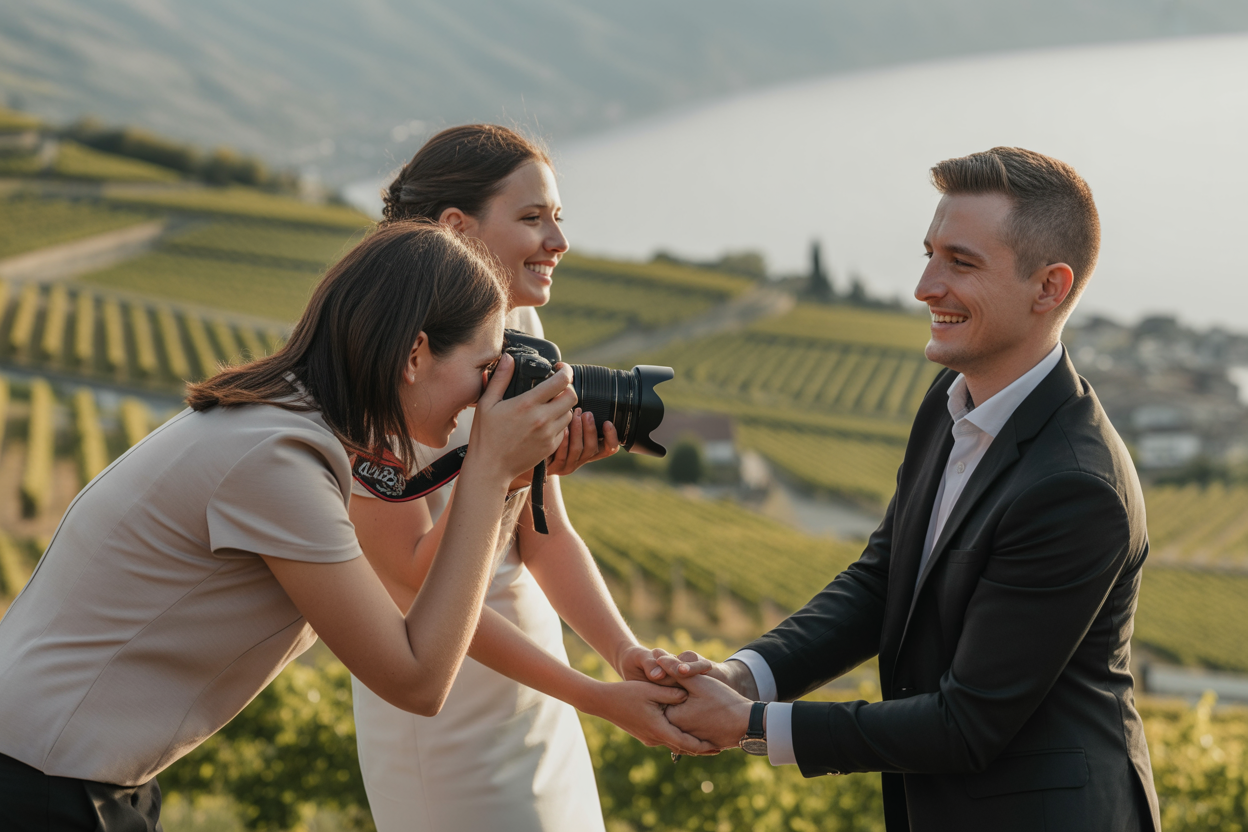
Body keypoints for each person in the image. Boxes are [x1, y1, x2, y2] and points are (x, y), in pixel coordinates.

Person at [0, 221, 586, 830]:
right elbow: (417, 680)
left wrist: (507, 478)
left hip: (66, 770)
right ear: (415, 355)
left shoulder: (286, 423)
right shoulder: (276, 459)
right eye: (484, 368)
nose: (485, 395)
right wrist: (490, 473)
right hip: (41, 783)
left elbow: (425, 589)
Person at [660, 147, 1162, 831]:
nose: (925, 286)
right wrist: (744, 676)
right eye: (929, 254)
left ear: (1049, 287)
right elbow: (882, 579)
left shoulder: (1076, 487)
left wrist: (751, 724)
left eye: (961, 263)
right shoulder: (949, 401)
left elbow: (966, 724)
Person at [349, 124, 711, 832]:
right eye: (532, 217)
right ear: (458, 227)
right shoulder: (383, 354)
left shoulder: (519, 332)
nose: (559, 240)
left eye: (558, 217)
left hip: (537, 681)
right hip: (446, 702)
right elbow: (412, 579)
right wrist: (593, 697)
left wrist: (624, 654)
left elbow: (547, 536)